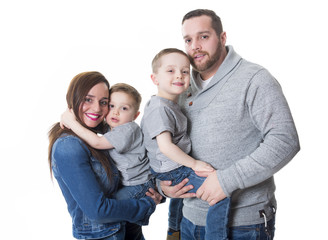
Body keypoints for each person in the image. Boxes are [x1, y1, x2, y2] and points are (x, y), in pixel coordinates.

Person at [160, 8, 301, 240]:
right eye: (188, 39)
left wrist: (226, 181)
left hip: (242, 225)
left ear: (222, 38)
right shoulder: (181, 86)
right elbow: (166, 141)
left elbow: (285, 140)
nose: (195, 45)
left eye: (203, 36)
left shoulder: (254, 79)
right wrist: (164, 185)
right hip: (189, 220)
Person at [48, 71, 161, 240]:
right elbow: (97, 211)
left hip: (126, 227)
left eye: (104, 102)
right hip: (104, 235)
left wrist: (158, 189)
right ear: (73, 98)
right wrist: (147, 204)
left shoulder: (100, 133)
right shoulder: (68, 146)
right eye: (88, 99)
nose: (97, 108)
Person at [140, 48, 231, 240]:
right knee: (220, 192)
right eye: (170, 71)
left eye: (184, 71)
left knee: (183, 197)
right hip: (174, 168)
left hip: (171, 168)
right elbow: (165, 146)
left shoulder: (165, 103)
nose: (179, 76)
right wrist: (194, 164)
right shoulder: (160, 109)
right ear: (154, 79)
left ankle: (174, 229)